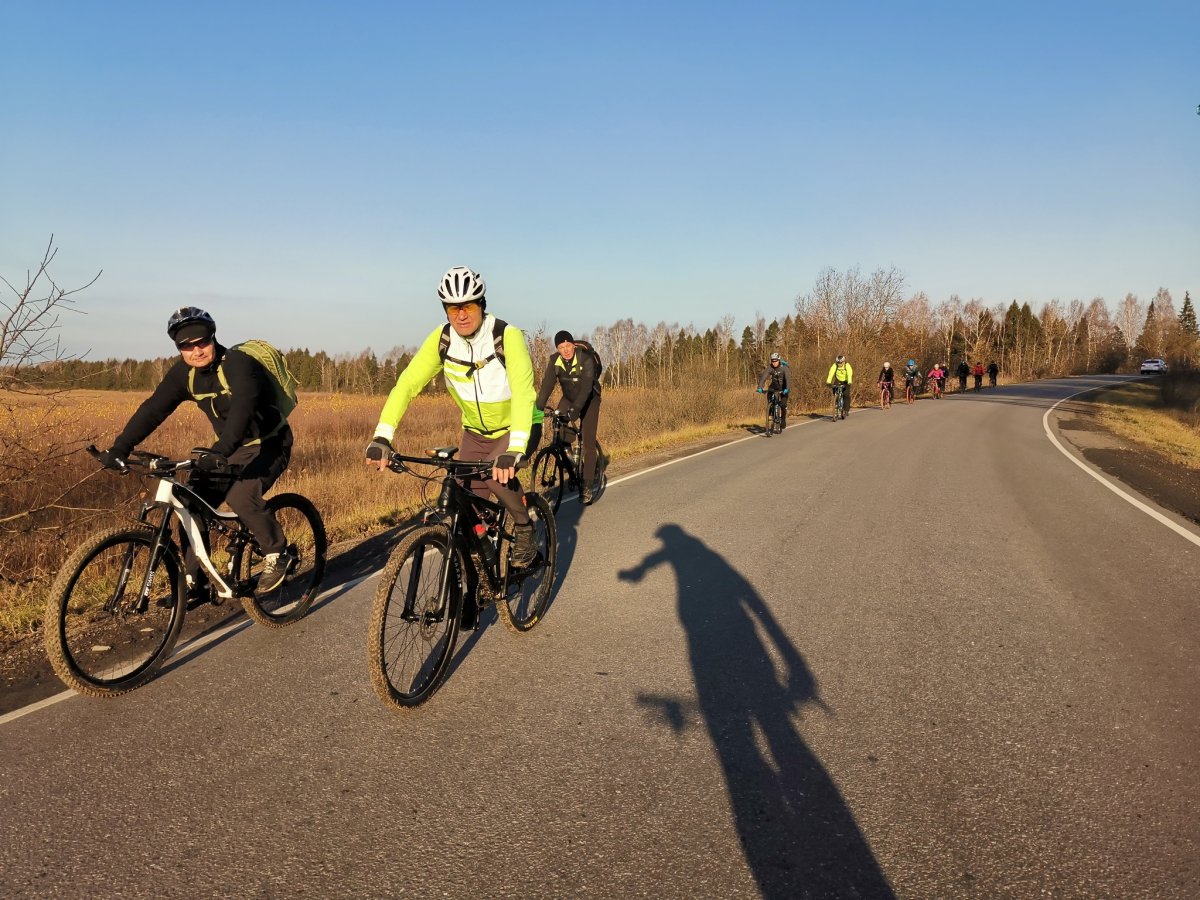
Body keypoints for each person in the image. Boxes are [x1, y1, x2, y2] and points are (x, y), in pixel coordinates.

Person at [97, 307, 294, 598]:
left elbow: (244, 407)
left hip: (269, 443)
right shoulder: (183, 375)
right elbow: (153, 410)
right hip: (230, 448)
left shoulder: (239, 364)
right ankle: (196, 583)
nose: (196, 350)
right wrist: (120, 447)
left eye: (201, 342)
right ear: (179, 348)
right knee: (189, 502)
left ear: (213, 337)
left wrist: (221, 450)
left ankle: (278, 553)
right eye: (186, 346)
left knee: (240, 496)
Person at [365, 266, 539, 566]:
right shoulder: (443, 339)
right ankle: (482, 560)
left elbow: (524, 394)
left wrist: (514, 449)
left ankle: (525, 528)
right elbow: (406, 385)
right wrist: (382, 436)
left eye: (468, 306)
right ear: (445, 310)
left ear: (481, 304)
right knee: (461, 499)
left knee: (494, 477)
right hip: (475, 433)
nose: (461, 315)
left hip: (518, 427)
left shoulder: (505, 337)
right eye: (453, 308)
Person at [535, 329, 603, 504]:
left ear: (573, 345)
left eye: (568, 346)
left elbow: (587, 388)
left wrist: (575, 411)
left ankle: (587, 485)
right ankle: (571, 462)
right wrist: (537, 409)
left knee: (588, 442)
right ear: (557, 348)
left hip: (589, 400)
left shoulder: (585, 358)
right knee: (559, 431)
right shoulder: (555, 361)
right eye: (561, 347)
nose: (565, 350)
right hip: (568, 398)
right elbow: (546, 387)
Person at [757, 351, 790, 429]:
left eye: (775, 361)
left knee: (783, 404)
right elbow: (764, 377)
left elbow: (788, 379)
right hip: (774, 385)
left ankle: (783, 420)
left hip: (784, 386)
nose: (774, 362)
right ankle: (771, 407)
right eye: (772, 361)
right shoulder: (770, 367)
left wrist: (787, 388)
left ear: (778, 360)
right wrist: (760, 387)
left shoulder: (784, 368)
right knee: (769, 393)